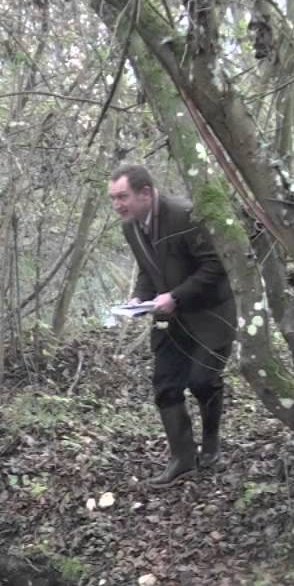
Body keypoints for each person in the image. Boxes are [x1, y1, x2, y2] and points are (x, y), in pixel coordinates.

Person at [108, 164, 237, 487]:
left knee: (203, 381)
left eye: (122, 197)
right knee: (166, 386)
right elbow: (148, 269)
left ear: (146, 193)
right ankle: (182, 459)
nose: (117, 205)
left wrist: (176, 296)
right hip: (169, 319)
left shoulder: (184, 216)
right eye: (113, 199)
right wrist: (140, 298)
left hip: (211, 314)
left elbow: (215, 267)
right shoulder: (131, 227)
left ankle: (210, 447)